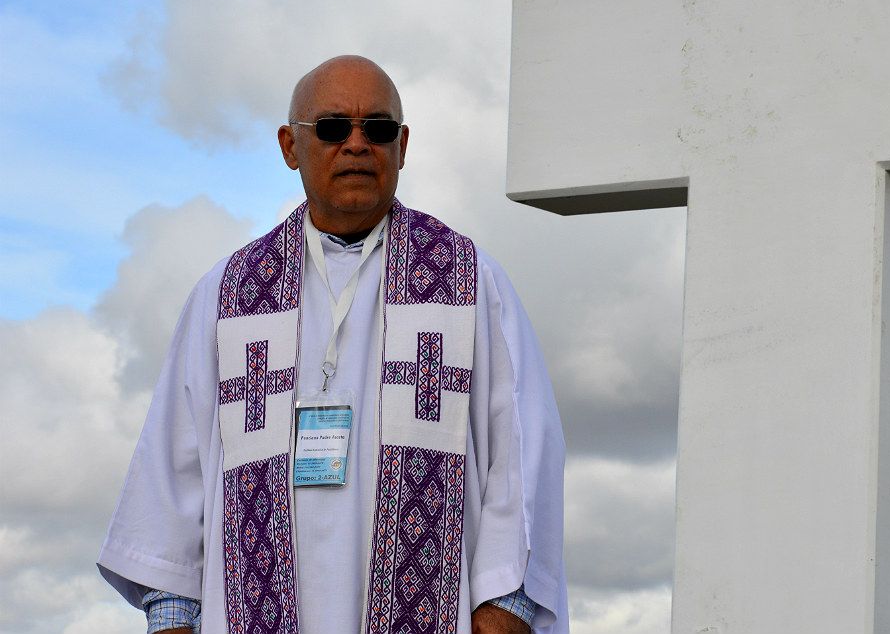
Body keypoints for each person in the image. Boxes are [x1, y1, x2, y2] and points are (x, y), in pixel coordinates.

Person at [97, 55, 567, 634]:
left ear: (402, 146)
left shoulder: (468, 281)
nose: (356, 144)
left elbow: (524, 451)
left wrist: (503, 610)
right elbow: (173, 475)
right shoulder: (227, 296)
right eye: (331, 128)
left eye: (378, 129)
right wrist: (172, 620)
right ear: (290, 146)